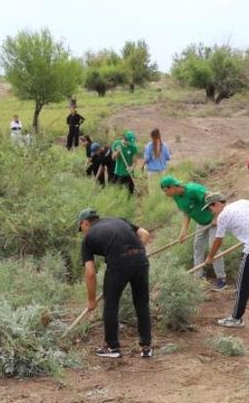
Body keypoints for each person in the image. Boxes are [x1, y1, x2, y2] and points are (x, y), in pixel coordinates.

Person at [76, 208, 154, 359]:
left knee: (111, 305)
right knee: (142, 304)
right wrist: (136, 253)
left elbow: (90, 273)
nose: (83, 232)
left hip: (118, 265)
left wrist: (91, 300)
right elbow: (145, 234)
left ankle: (112, 347)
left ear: (85, 223)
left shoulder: (87, 239)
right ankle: (146, 347)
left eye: (81, 229)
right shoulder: (119, 220)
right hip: (141, 261)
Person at [201, 193, 249, 327]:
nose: (211, 211)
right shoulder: (244, 201)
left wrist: (210, 258)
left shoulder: (223, 215)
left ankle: (236, 318)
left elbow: (218, 240)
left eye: (210, 208)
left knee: (242, 284)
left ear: (217, 204)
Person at [160, 175, 228, 290]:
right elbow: (187, 212)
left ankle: (222, 280)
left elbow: (217, 198)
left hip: (214, 222)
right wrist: (183, 231)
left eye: (165, 190)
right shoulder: (176, 196)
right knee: (197, 247)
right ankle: (198, 276)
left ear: (172, 187)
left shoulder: (193, 190)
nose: (165, 194)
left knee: (214, 248)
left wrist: (216, 217)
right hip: (201, 223)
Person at [141, 128, 171, 194]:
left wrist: (142, 166)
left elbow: (146, 159)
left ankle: (153, 203)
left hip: (152, 172)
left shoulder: (149, 146)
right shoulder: (165, 146)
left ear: (152, 136)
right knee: (162, 190)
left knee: (152, 191)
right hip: (162, 171)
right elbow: (168, 158)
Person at [111, 130, 140, 196]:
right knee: (118, 192)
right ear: (124, 139)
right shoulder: (116, 143)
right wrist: (118, 152)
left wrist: (131, 168)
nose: (130, 144)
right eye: (129, 142)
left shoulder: (133, 147)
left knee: (130, 192)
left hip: (129, 174)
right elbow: (113, 158)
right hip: (118, 172)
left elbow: (135, 162)